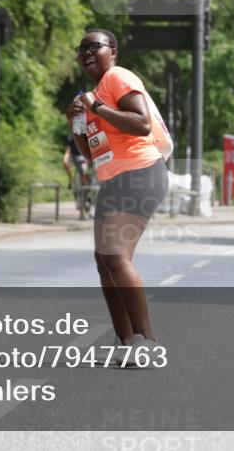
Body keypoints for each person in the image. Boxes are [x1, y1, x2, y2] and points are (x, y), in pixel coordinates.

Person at [65, 28, 169, 362]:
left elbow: (141, 123)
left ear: (114, 52)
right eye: (81, 49)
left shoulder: (116, 78)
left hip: (139, 174)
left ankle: (147, 343)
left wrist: (97, 105)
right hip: (113, 179)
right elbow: (94, 154)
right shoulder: (95, 93)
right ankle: (126, 342)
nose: (86, 53)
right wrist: (78, 125)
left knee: (115, 257)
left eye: (94, 47)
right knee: (104, 262)